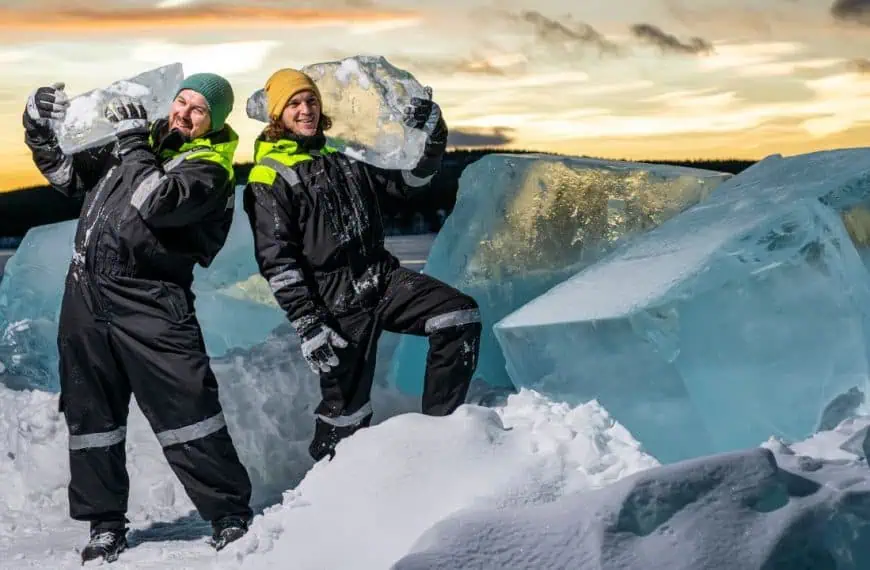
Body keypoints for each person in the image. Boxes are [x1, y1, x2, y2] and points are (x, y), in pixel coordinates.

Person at [22, 73, 253, 564]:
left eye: (198, 111)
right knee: (92, 418)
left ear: (213, 123)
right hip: (85, 297)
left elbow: (157, 202)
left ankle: (229, 513)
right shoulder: (137, 147)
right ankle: (105, 523)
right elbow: (66, 176)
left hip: (151, 301)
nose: (183, 113)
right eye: (181, 101)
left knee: (188, 410)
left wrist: (132, 145)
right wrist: (38, 126)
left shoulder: (210, 169)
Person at [243, 68, 482, 462]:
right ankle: (322, 494)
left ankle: (442, 437)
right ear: (277, 115)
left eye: (311, 101)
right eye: (295, 104)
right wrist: (308, 322)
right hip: (333, 300)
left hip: (381, 277)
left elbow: (409, 181)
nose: (306, 110)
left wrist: (430, 134)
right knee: (347, 413)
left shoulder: (345, 157)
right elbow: (277, 260)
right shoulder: (269, 177)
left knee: (458, 317)